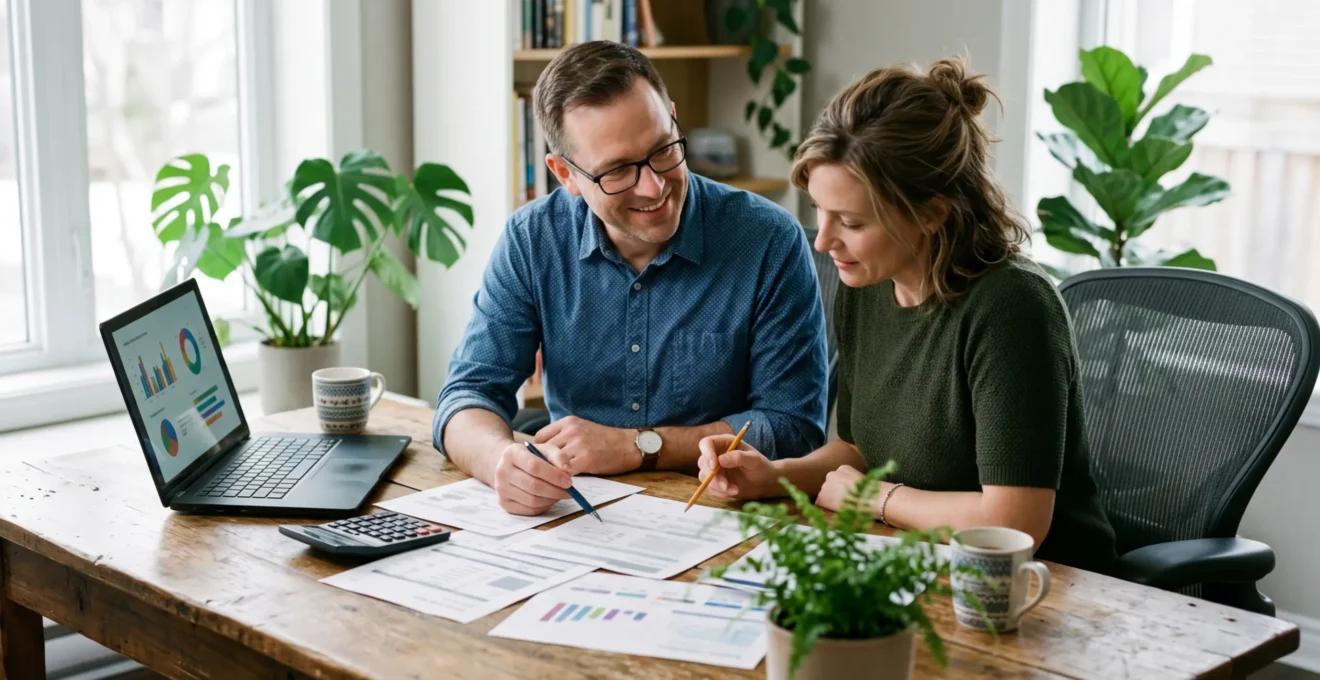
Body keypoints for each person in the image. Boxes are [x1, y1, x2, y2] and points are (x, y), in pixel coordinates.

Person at [696, 57, 1117, 573]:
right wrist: (774, 475)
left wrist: (875, 499)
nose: (824, 241)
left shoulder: (1013, 308)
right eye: (820, 214)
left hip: (1043, 591)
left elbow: (1016, 522)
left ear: (932, 213)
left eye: (850, 221)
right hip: (917, 564)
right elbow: (856, 451)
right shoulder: (870, 280)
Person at [434, 41, 828, 517]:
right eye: (618, 170)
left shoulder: (767, 240)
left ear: (674, 121)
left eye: (664, 149)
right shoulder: (532, 240)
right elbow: (467, 396)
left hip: (721, 515)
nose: (654, 186)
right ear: (566, 175)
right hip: (578, 517)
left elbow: (795, 427)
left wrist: (638, 445)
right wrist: (503, 462)